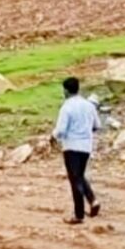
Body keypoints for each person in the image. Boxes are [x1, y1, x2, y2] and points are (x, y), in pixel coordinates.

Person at [51, 77, 102, 225]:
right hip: (86, 147)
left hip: (71, 146)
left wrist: (53, 136)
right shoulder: (89, 106)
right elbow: (97, 125)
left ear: (66, 91)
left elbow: (61, 130)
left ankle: (79, 214)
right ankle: (93, 200)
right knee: (79, 176)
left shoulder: (66, 107)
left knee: (75, 180)